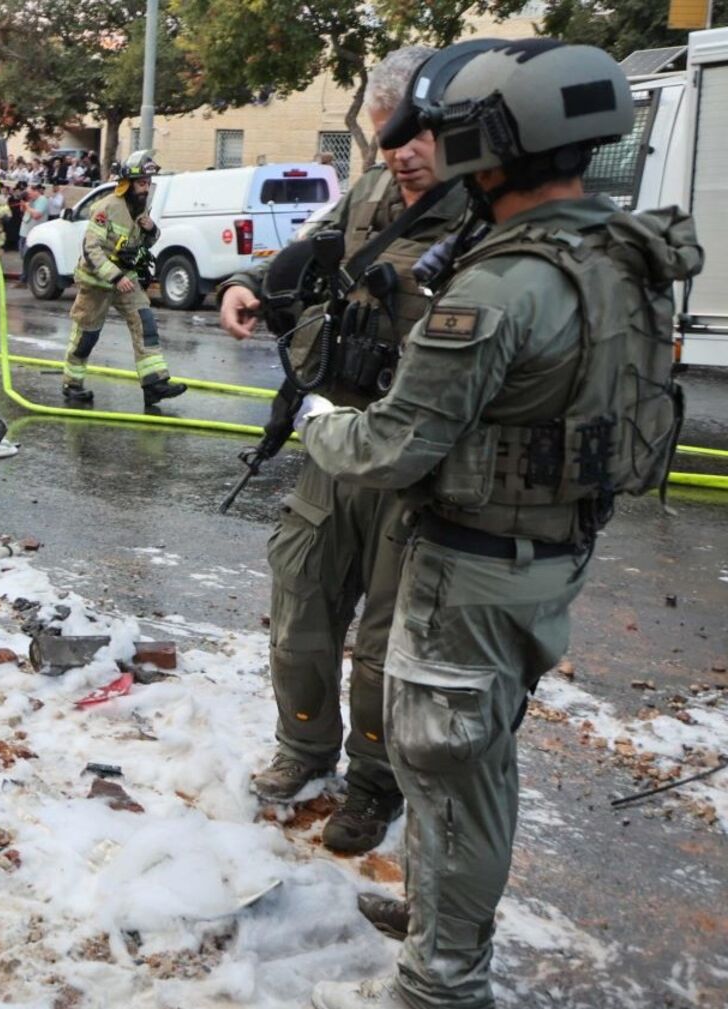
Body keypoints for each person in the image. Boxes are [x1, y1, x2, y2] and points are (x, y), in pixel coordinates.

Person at [296, 40, 699, 1009]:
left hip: (467, 576)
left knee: (449, 775)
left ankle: (442, 981)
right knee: (477, 766)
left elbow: (397, 444)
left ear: (494, 145)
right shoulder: (621, 252)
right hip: (548, 557)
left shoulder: (500, 286)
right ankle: (443, 921)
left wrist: (322, 426)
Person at [215, 46, 470, 856]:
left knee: (388, 645)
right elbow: (313, 246)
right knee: (299, 599)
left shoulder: (484, 212)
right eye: (384, 133)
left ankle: (372, 782)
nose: (399, 151)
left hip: (419, 460)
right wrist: (249, 281)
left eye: (413, 132)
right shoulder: (370, 191)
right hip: (337, 432)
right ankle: (304, 745)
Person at [60, 150, 187, 410]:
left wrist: (152, 231)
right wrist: (115, 277)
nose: (146, 188)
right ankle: (72, 384)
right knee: (86, 336)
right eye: (141, 183)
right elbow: (90, 249)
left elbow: (143, 242)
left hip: (126, 278)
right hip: (97, 281)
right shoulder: (106, 207)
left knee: (145, 323)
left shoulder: (141, 208)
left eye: (148, 183)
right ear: (127, 184)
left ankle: (154, 384)